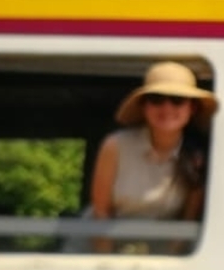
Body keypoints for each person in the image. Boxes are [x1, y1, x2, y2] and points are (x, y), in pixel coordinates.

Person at [91, 60, 215, 250]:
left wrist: (170, 260)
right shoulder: (115, 146)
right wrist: (106, 262)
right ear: (144, 107)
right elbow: (101, 213)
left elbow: (187, 223)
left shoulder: (197, 158)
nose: (167, 108)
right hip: (100, 246)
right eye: (156, 99)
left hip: (162, 252)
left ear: (192, 108)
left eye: (177, 100)